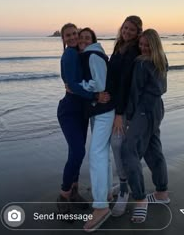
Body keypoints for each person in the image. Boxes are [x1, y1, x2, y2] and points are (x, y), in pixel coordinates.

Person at [57, 23, 109, 213]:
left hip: (81, 111)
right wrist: (95, 96)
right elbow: (72, 84)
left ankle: (74, 191)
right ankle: (63, 195)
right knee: (78, 152)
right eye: (67, 35)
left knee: (76, 152)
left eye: (74, 34)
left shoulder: (81, 53)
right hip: (69, 111)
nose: (72, 38)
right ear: (63, 39)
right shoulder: (70, 54)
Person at [122, 29, 170, 223]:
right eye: (140, 44)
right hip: (157, 108)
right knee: (153, 149)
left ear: (154, 44)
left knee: (129, 151)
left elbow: (135, 92)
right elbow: (161, 88)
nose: (142, 47)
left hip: (143, 109)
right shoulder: (162, 60)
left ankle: (140, 199)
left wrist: (129, 116)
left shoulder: (142, 63)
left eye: (146, 44)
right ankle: (161, 193)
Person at [77, 28, 115, 232]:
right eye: (80, 37)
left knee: (96, 154)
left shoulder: (92, 54)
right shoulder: (92, 54)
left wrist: (79, 84)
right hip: (99, 111)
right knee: (102, 153)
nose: (82, 40)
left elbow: (99, 84)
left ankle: (101, 207)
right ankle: (107, 193)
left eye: (86, 37)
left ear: (92, 40)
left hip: (103, 110)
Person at [105, 15, 143, 217]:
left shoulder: (133, 51)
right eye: (125, 28)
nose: (127, 32)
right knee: (114, 144)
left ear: (138, 33)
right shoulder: (119, 46)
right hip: (112, 104)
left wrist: (120, 113)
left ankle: (124, 189)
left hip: (124, 107)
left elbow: (126, 83)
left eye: (131, 30)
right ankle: (122, 184)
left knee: (117, 144)